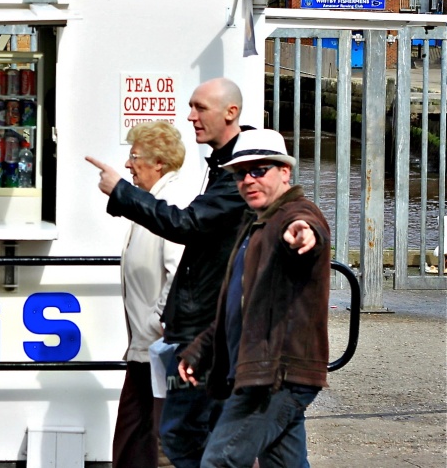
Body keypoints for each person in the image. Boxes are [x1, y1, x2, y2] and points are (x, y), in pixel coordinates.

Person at [86, 77, 250, 468]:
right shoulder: (218, 171)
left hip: (172, 341)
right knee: (153, 432)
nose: (190, 115)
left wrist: (164, 323)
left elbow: (183, 240)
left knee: (176, 434)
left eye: (199, 108)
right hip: (159, 342)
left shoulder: (217, 180)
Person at [177, 129, 331, 468]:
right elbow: (241, 306)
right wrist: (202, 349)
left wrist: (304, 233)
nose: (248, 179)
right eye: (240, 173)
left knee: (219, 461)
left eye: (259, 170)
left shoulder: (293, 215)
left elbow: (307, 227)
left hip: (273, 376)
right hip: (271, 374)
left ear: (285, 172)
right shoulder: (257, 224)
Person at [110, 121, 188, 468]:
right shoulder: (155, 202)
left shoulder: (170, 203)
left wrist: (159, 323)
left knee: (151, 439)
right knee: (136, 438)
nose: (128, 164)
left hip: (158, 347)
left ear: (158, 163)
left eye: (134, 156)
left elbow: (179, 269)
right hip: (146, 347)